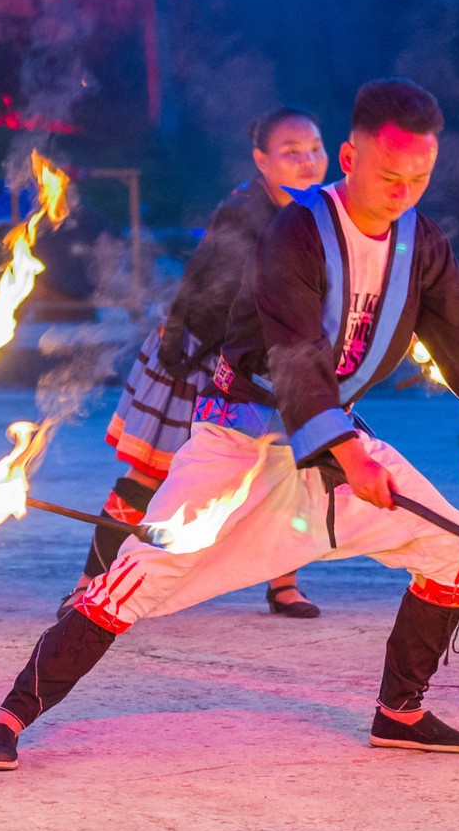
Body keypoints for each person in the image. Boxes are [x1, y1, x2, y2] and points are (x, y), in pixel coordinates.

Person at [0, 79, 459, 772]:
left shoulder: (421, 243)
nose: (404, 190)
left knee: (452, 553)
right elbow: (295, 353)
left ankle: (399, 713)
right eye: (389, 174)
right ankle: (9, 715)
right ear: (349, 158)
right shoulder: (297, 230)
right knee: (132, 580)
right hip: (240, 443)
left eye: (420, 176)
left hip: (332, 444)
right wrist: (351, 457)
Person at [82, 108, 331, 617]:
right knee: (150, 474)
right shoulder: (243, 213)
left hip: (280, 360)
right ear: (261, 160)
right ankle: (92, 582)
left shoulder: (325, 212)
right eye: (291, 153)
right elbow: (213, 297)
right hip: (202, 356)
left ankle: (283, 581)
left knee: (289, 474)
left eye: (315, 150)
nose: (308, 162)